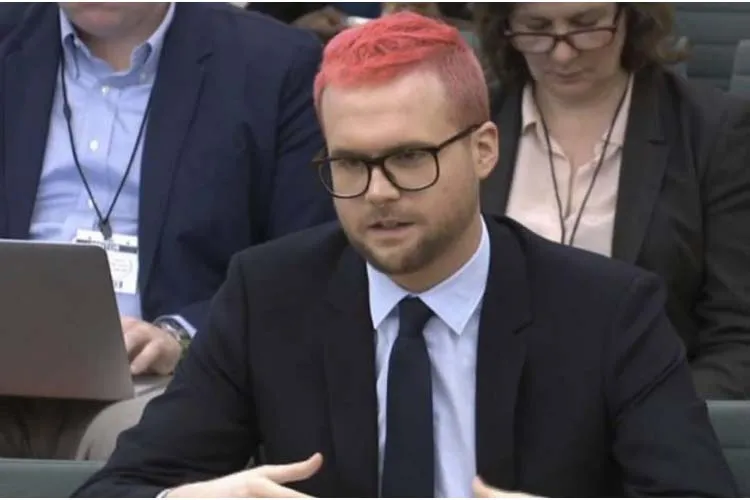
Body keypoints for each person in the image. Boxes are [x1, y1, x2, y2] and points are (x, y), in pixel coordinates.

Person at [74, 12, 736, 498]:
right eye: (350, 164)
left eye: (410, 157)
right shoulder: (267, 296)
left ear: (483, 150)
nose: (379, 192)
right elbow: (117, 488)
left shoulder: (608, 310)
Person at [0, 2, 334, 459]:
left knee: (144, 448)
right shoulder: (11, 42)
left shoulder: (273, 64)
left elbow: (304, 259)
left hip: (161, 383)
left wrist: (181, 336)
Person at [474, 2, 750, 399]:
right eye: (536, 28)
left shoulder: (714, 133)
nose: (562, 53)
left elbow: (737, 339)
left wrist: (651, 418)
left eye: (586, 25)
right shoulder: (466, 126)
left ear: (631, 16)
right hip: (487, 412)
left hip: (646, 416)